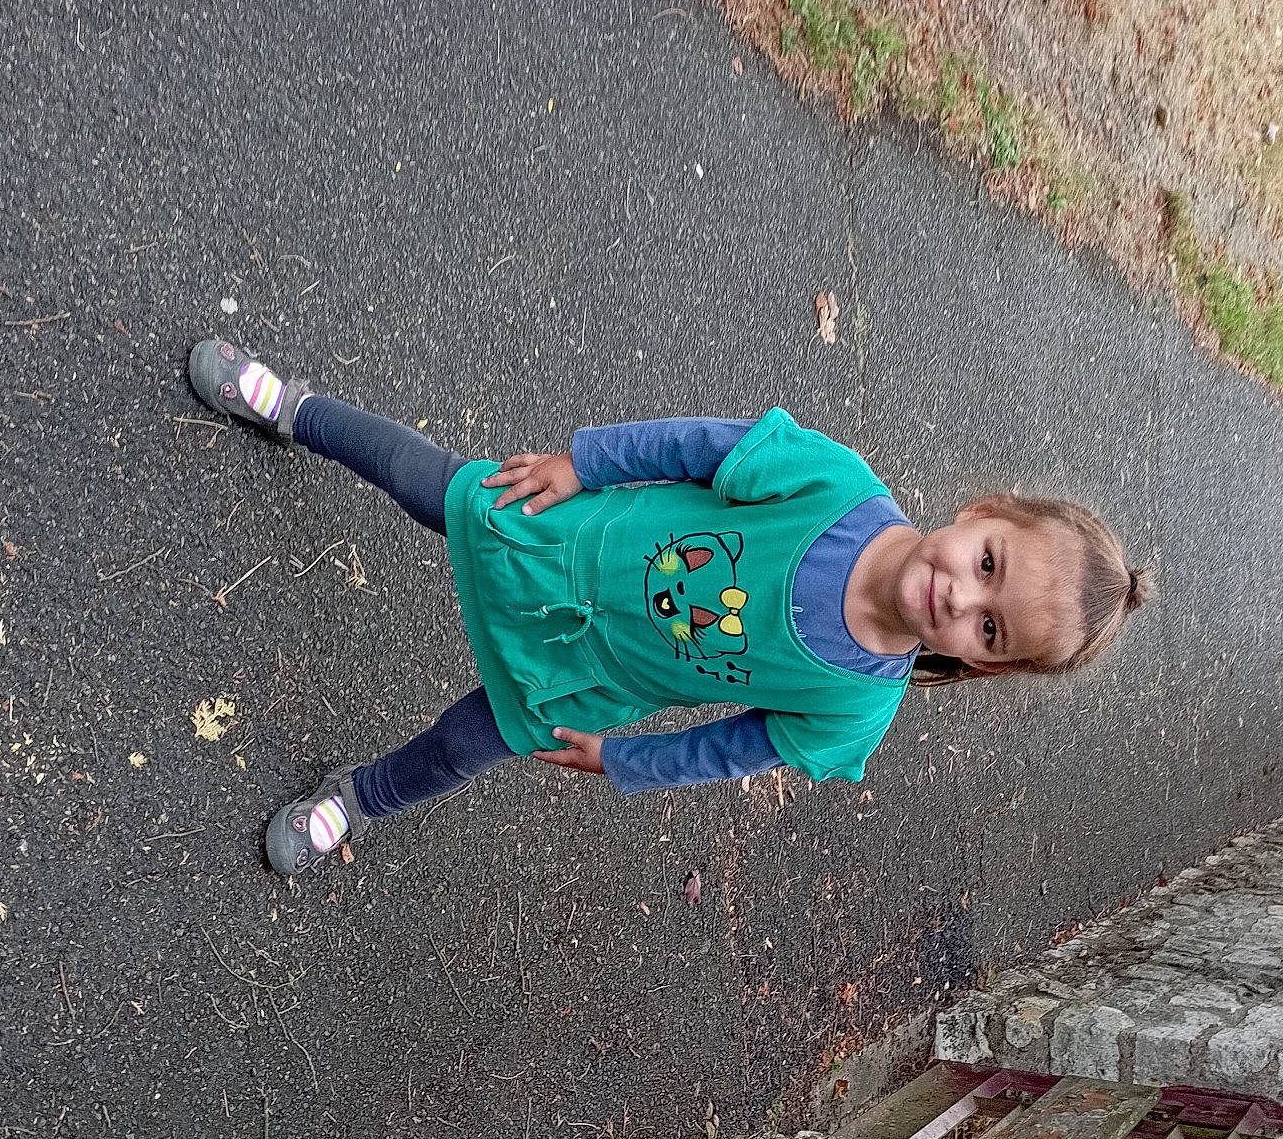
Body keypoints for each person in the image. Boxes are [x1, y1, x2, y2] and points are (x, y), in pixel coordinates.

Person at [184, 340, 1152, 876]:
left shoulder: (856, 709)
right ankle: (294, 409)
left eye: (989, 626)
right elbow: (699, 446)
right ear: (982, 514)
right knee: (423, 479)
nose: (960, 595)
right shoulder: (836, 486)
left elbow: (731, 750)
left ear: (983, 661)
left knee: (460, 748)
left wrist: (624, 761)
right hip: (563, 538)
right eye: (987, 564)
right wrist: (583, 462)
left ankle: (357, 801)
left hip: (582, 676)